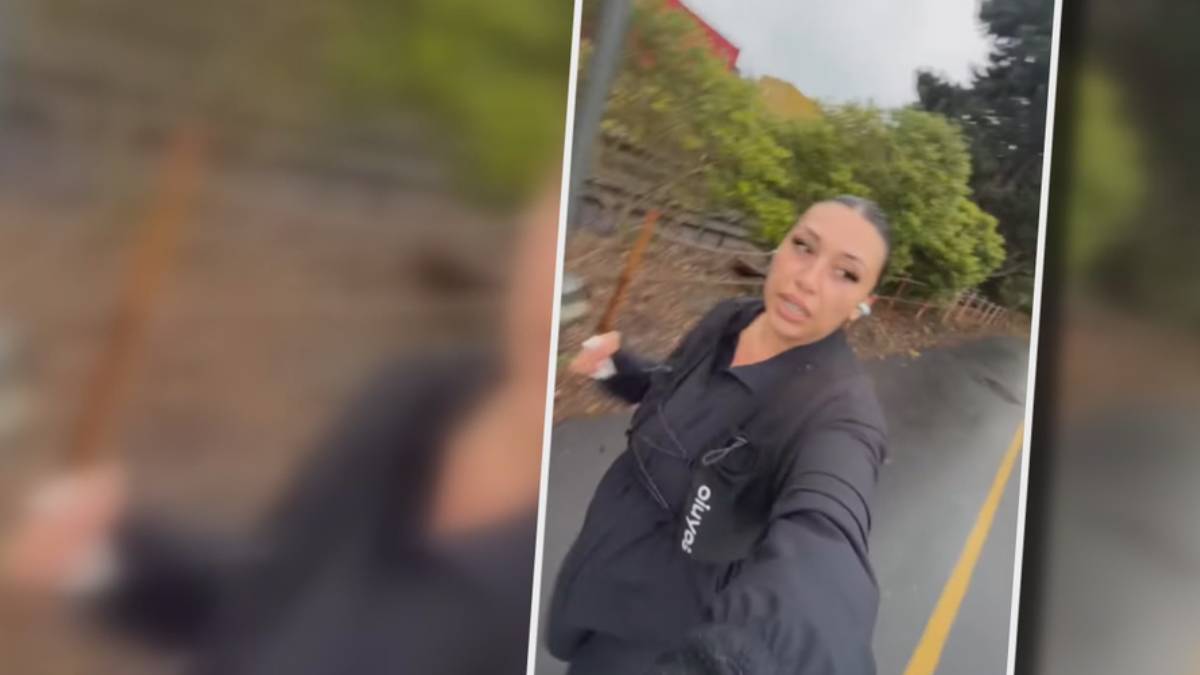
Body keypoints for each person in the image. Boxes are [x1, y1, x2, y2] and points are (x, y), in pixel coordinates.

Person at [1, 175, 563, 675]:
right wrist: (104, 558)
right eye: (553, 220)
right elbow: (274, 598)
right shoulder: (416, 400)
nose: (549, 290)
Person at [546, 196, 892, 675]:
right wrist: (618, 370)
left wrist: (748, 658)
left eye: (846, 273)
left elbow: (827, 541)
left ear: (862, 306)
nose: (806, 279)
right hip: (602, 567)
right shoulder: (731, 319)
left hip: (660, 636)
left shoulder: (840, 415)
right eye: (803, 247)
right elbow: (670, 387)